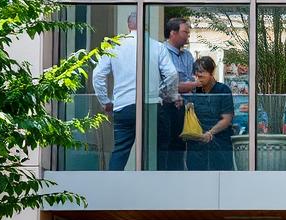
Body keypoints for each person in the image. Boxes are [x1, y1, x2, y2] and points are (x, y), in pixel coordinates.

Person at [92, 11, 179, 172]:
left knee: (120, 150)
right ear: (145, 26)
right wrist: (167, 94)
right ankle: (157, 187)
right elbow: (172, 74)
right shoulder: (157, 46)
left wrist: (106, 102)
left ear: (128, 26)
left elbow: (97, 75)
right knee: (156, 151)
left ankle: (113, 187)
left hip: (124, 106)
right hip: (152, 106)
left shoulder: (114, 46)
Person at [183, 56, 235, 172]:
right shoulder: (194, 91)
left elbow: (227, 119)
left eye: (201, 73)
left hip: (219, 143)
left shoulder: (223, 90)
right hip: (196, 145)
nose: (198, 77)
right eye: (196, 74)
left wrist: (210, 133)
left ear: (211, 73)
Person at [159, 17, 197, 171]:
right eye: (185, 32)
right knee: (166, 145)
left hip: (185, 108)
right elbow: (169, 86)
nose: (188, 35)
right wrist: (193, 84)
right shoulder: (161, 52)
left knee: (182, 146)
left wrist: (189, 85)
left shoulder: (188, 56)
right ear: (173, 33)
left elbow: (188, 81)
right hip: (167, 107)